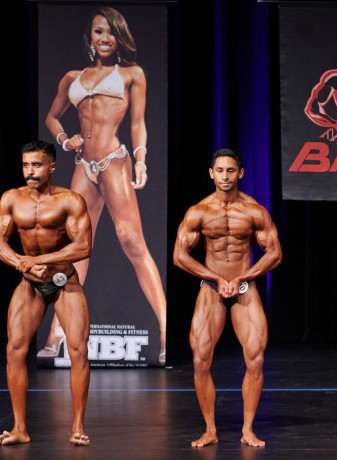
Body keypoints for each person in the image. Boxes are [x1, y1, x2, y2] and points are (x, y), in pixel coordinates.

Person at [44, 6, 166, 364]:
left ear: (120, 37)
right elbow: (52, 117)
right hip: (83, 165)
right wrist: (65, 140)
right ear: (91, 37)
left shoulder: (131, 74)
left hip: (114, 160)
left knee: (132, 241)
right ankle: (55, 334)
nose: (106, 38)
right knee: (76, 248)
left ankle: (165, 330)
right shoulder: (72, 77)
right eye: (99, 31)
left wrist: (141, 160)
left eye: (112, 32)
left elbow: (138, 122)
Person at [173, 149, 282, 448]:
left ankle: (248, 429)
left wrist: (243, 278)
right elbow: (179, 256)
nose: (225, 176)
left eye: (230, 170)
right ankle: (210, 429)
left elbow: (274, 253)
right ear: (211, 173)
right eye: (219, 170)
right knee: (200, 359)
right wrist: (218, 279)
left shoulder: (255, 211)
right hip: (211, 288)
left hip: (245, 287)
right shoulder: (199, 212)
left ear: (240, 173)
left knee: (256, 357)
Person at [0, 141, 92, 445]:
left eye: (37, 165)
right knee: (14, 349)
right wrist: (21, 264)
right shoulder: (11, 199)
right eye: (26, 165)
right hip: (30, 284)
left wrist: (41, 260)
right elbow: (0, 242)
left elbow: (83, 246)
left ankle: (77, 427)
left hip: (65, 282)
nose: (30, 171)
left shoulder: (70, 201)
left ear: (51, 167)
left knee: (78, 350)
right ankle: (19, 429)